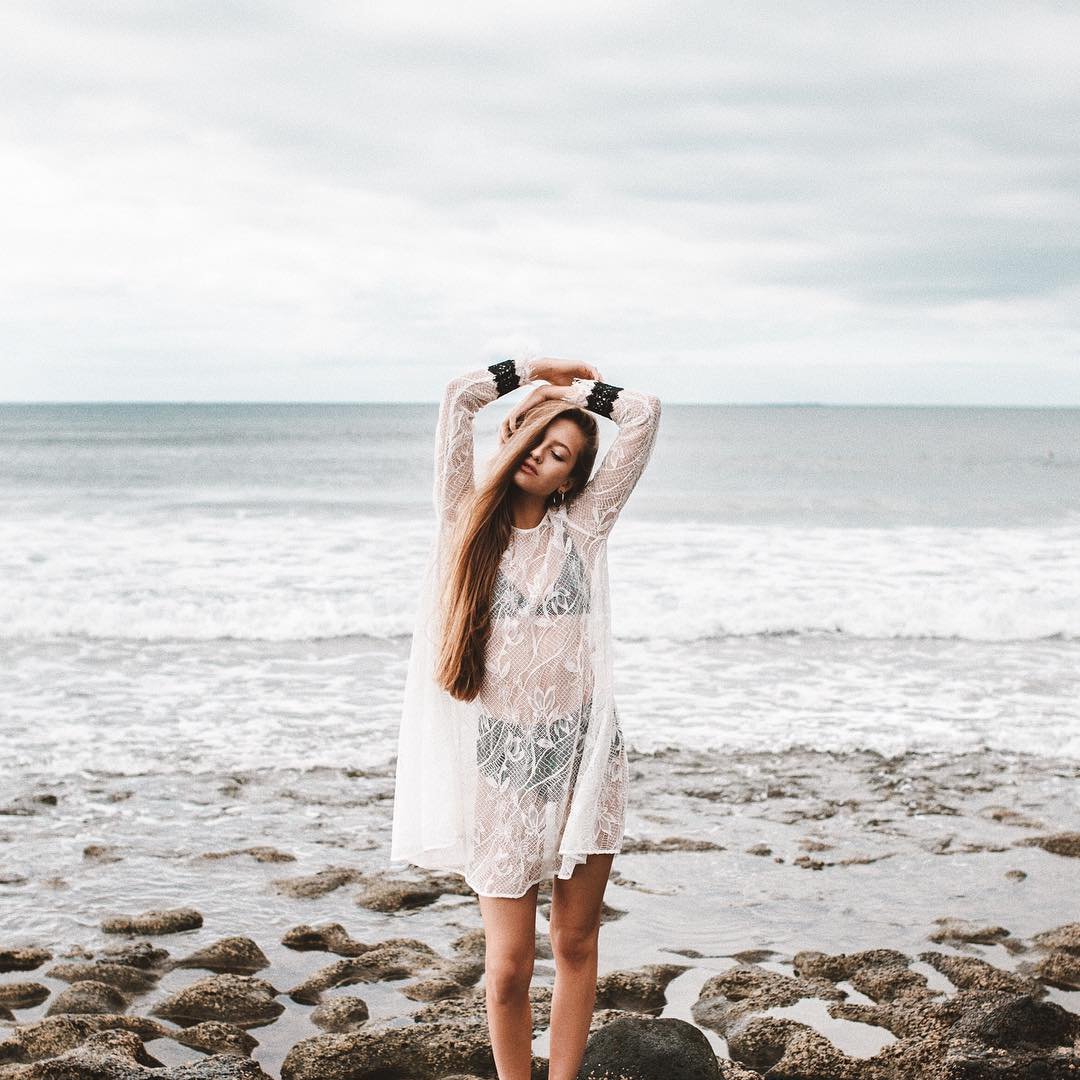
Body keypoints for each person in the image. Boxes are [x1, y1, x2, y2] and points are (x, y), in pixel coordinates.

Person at [390, 351, 662, 1080]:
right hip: (505, 770)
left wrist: (580, 393)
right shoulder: (464, 527)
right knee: (508, 967)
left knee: (575, 945)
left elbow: (644, 414)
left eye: (560, 453)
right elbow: (457, 398)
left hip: (584, 760)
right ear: (514, 436)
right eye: (537, 438)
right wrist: (529, 373)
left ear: (573, 476)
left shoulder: (584, 530)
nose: (541, 455)